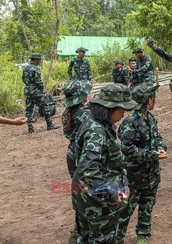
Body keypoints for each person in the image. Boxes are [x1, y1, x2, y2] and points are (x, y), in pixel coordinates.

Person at [72, 84, 136, 244]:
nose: (123, 115)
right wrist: (112, 193)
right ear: (109, 108)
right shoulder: (97, 131)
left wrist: (123, 181)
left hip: (88, 195)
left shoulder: (97, 122)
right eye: (121, 110)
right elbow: (88, 168)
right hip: (97, 201)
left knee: (86, 237)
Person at [116, 84, 168, 244]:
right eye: (153, 98)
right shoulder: (130, 122)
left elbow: (157, 137)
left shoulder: (150, 118)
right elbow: (127, 148)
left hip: (151, 173)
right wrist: (152, 154)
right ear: (148, 101)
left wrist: (160, 147)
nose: (155, 101)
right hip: (133, 175)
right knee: (126, 208)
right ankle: (117, 237)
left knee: (147, 203)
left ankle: (143, 234)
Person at [61, 79, 93, 244]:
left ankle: (78, 227)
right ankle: (84, 229)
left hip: (72, 155)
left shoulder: (65, 113)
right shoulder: (86, 113)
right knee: (89, 192)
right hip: (84, 156)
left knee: (78, 189)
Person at [22, 53, 60, 133]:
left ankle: (30, 127)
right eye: (39, 60)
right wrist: (43, 91)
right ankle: (49, 124)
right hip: (36, 92)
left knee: (29, 109)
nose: (40, 61)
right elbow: (38, 82)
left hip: (28, 91)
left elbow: (23, 79)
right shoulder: (35, 69)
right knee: (45, 106)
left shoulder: (26, 68)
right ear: (36, 60)